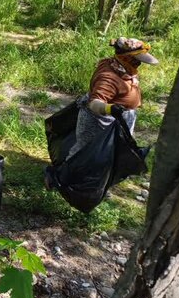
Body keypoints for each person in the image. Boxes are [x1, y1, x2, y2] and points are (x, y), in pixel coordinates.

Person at [45, 37, 159, 189]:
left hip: (120, 118)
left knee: (109, 151)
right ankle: (61, 179)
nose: (139, 64)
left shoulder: (121, 67)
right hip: (99, 119)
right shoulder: (108, 77)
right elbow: (95, 103)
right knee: (84, 150)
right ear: (126, 58)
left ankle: (95, 181)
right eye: (137, 60)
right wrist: (110, 109)